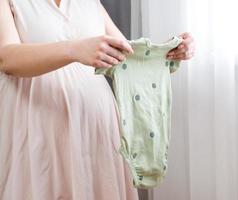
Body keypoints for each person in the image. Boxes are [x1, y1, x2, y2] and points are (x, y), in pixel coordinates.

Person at [0, 0, 195, 199]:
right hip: (37, 123)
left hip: (96, 124)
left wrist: (168, 52)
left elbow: (128, 56)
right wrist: (74, 50)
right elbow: (7, 58)